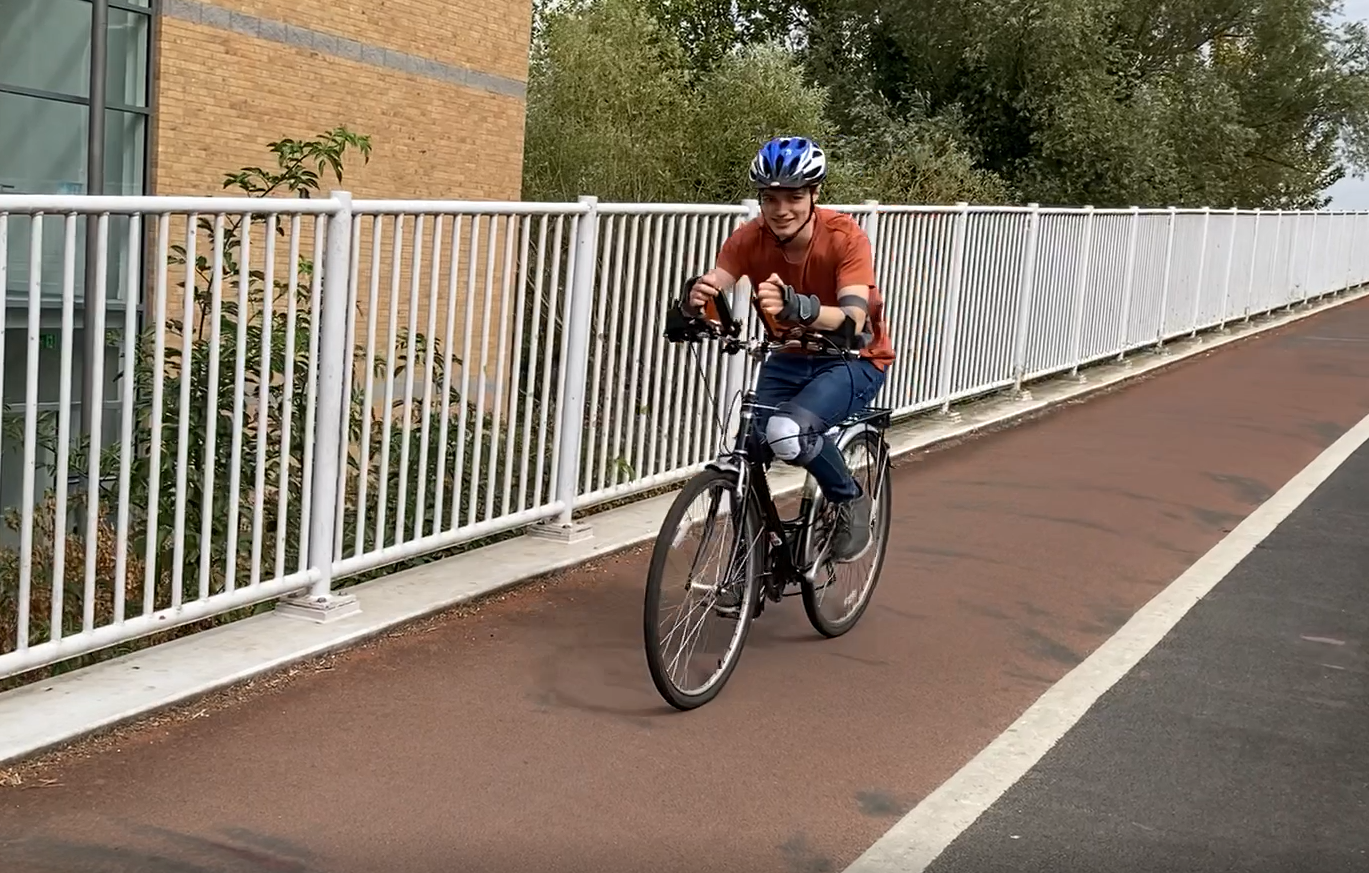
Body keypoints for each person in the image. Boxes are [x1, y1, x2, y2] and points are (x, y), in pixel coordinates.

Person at [680, 135, 896, 564]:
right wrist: (693, 301)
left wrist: (799, 308)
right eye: (770, 198)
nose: (781, 210)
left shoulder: (844, 237)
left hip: (853, 360)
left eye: (794, 197)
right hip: (787, 357)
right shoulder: (748, 238)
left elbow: (854, 321)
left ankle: (850, 500)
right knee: (747, 450)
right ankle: (750, 563)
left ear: (814, 194)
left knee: (787, 431)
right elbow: (717, 281)